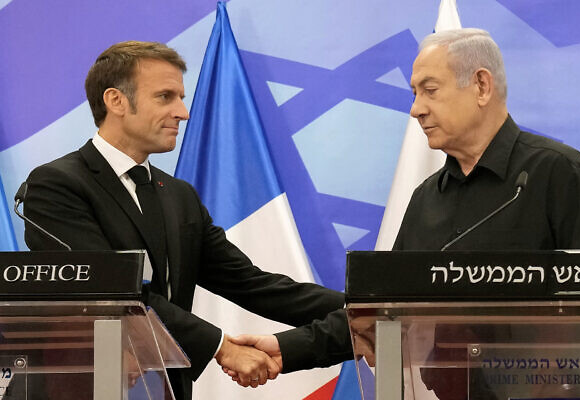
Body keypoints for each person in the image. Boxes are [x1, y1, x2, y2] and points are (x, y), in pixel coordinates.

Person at [228, 28, 580, 398]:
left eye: (429, 91)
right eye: (415, 93)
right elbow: (381, 311)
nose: (416, 109)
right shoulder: (427, 198)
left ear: (481, 86)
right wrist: (287, 348)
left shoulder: (558, 173)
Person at [21, 41, 351, 400]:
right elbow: (110, 292)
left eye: (181, 96)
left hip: (167, 388)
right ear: (116, 101)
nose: (183, 112)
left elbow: (250, 283)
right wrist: (221, 346)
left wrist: (367, 309)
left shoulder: (178, 195)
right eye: (165, 97)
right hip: (82, 386)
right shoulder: (57, 185)